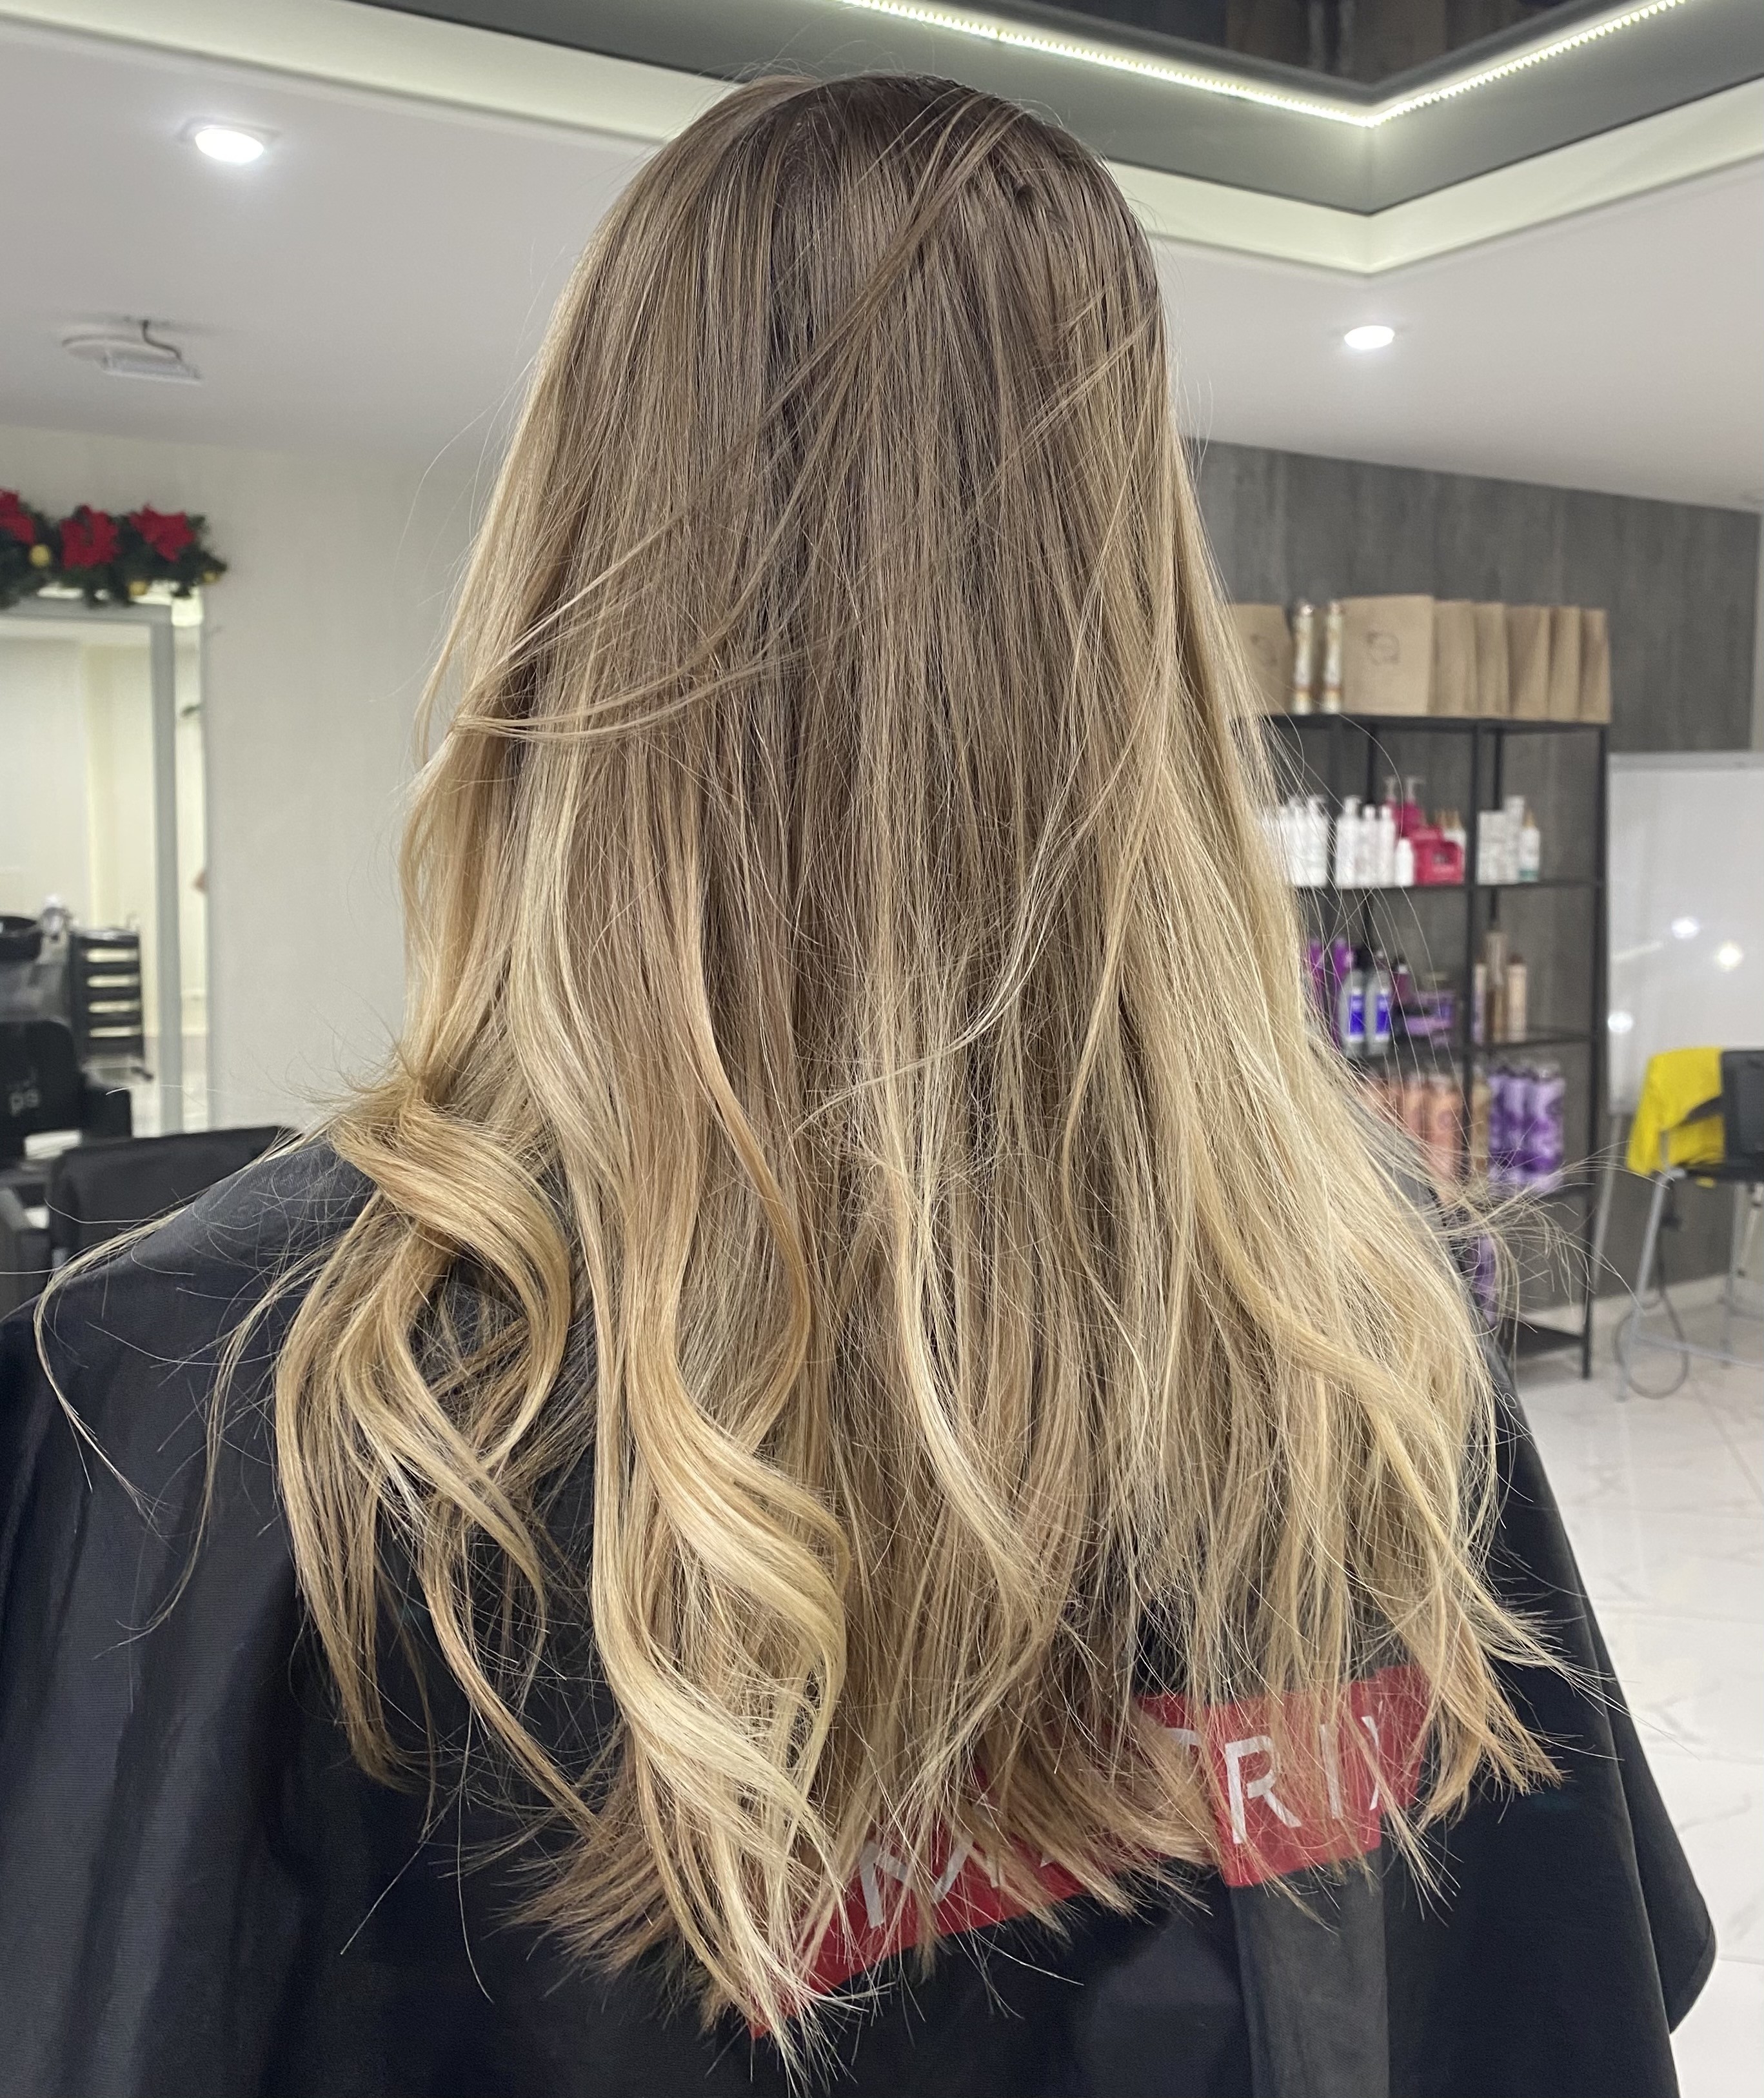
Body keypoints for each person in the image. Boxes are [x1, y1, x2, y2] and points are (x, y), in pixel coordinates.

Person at [0, 74, 1709, 2098]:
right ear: (1137, 612)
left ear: (570, 575)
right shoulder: (1357, 1317)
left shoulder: (226, 1385)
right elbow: (1564, 1989)